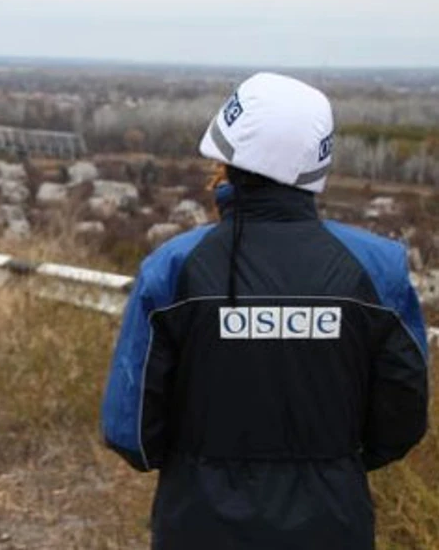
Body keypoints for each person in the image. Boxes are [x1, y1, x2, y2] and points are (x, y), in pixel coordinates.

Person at [101, 72, 429, 550]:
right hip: (333, 523)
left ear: (225, 165)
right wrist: (331, 466)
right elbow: (401, 419)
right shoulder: (378, 269)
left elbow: (131, 433)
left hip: (199, 523)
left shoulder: (173, 269)